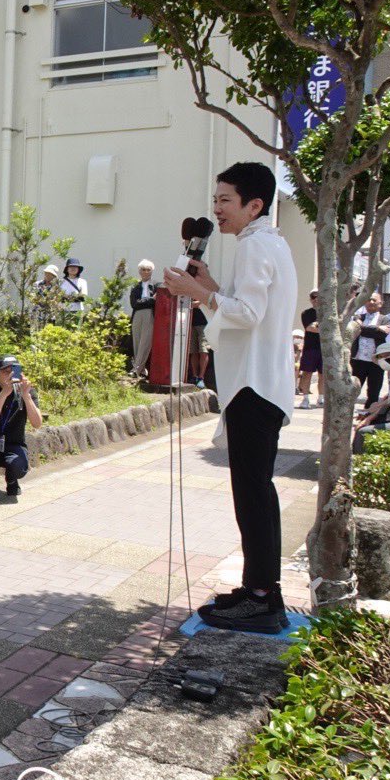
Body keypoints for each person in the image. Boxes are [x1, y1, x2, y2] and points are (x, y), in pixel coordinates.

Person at [163, 161, 297, 633]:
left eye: (225, 200)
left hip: (253, 387)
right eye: (215, 200)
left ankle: (262, 599)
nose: (216, 209)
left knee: (253, 494)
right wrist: (209, 286)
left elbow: (248, 314)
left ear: (253, 205)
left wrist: (197, 292)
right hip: (259, 385)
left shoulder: (255, 244)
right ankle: (258, 589)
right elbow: (244, 305)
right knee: (255, 491)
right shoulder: (267, 243)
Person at [0, 354, 43, 499]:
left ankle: (12, 481)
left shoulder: (28, 391)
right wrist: (4, 393)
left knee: (18, 466)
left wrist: (26, 396)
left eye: (15, 370)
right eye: (6, 371)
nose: (11, 375)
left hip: (14, 444)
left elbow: (37, 424)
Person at [349, 291, 390, 408]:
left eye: (374, 300)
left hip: (376, 361)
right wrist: (376, 329)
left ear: (381, 303)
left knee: (374, 392)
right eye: (368, 299)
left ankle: (368, 413)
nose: (371, 302)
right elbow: (357, 330)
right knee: (353, 390)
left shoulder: (385, 319)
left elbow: (382, 334)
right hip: (358, 360)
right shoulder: (358, 317)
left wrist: (363, 328)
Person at [128, 260, 157, 378]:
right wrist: (150, 300)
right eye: (143, 269)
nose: (145, 272)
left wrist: (144, 302)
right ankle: (142, 369)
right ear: (139, 271)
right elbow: (134, 304)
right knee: (137, 341)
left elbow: (157, 302)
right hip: (137, 314)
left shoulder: (156, 285)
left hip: (149, 314)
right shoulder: (135, 286)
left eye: (148, 270)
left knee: (145, 341)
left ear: (152, 271)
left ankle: (136, 369)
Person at [296, 289, 323, 408]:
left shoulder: (329, 313)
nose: (316, 299)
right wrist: (324, 329)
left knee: (323, 374)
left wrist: (318, 327)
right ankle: (305, 398)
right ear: (310, 299)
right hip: (310, 348)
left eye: (318, 296)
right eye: (313, 297)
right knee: (307, 373)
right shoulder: (306, 313)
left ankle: (321, 398)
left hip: (324, 349)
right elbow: (310, 328)